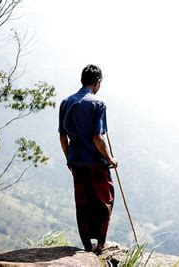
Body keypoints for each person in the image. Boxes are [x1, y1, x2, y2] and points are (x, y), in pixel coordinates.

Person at [58, 64, 118, 254]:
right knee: (104, 200)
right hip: (95, 162)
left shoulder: (66, 102)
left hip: (76, 161)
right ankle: (100, 245)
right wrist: (110, 159)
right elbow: (97, 138)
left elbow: (62, 136)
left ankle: (86, 244)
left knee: (82, 201)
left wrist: (69, 158)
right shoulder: (98, 104)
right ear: (97, 82)